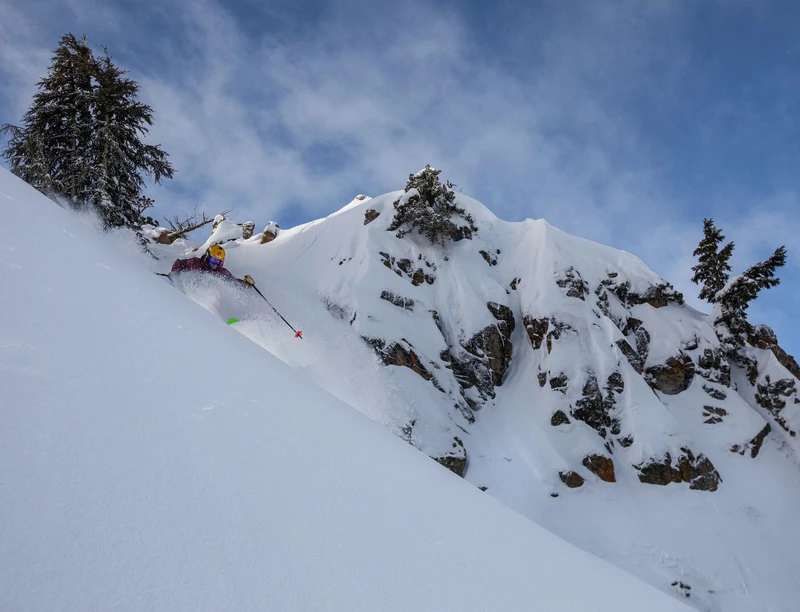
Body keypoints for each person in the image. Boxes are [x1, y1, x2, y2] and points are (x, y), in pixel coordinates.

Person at [170, 244, 255, 287]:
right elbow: (179, 263)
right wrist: (175, 273)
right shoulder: (195, 263)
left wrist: (245, 284)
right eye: (213, 260)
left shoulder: (221, 272)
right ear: (207, 256)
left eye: (219, 262)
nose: (215, 264)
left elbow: (233, 282)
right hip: (189, 290)